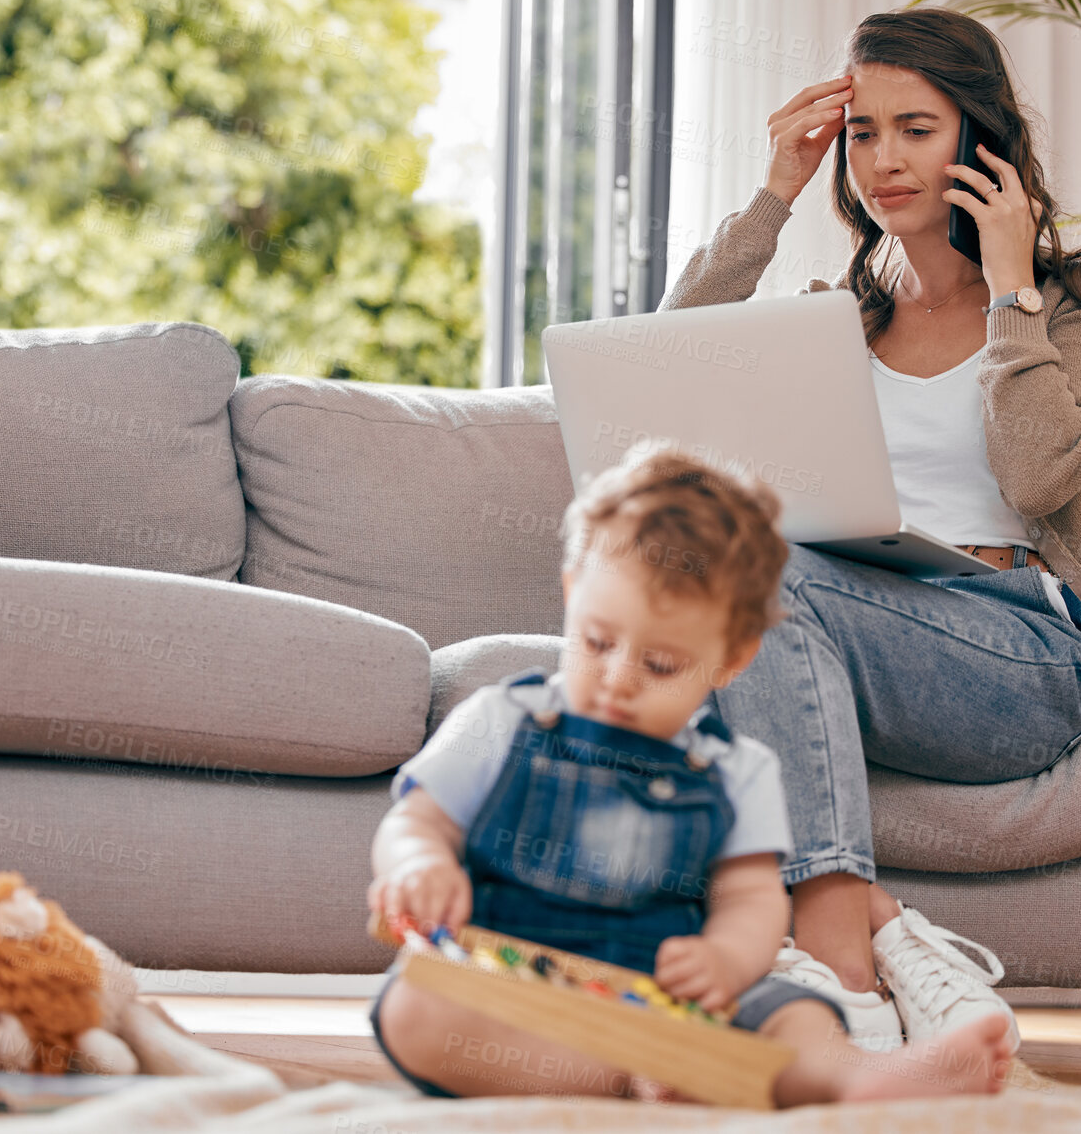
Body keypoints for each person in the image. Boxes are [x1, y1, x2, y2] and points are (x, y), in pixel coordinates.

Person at [661, 6, 1081, 1053]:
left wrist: (1013, 289)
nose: (883, 160)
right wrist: (773, 194)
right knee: (716, 576)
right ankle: (870, 950)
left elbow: (1040, 470)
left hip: (1035, 649)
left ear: (980, 138)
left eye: (915, 128)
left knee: (754, 582)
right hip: (861, 623)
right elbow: (667, 367)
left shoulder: (1079, 299)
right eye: (863, 131)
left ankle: (832, 957)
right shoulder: (841, 313)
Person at [366, 450, 1014, 1107]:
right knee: (413, 1008)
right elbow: (418, 819)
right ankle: (631, 1074)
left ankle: (858, 1075)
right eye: (596, 641)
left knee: (791, 1008)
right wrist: (418, 863)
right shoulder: (502, 719)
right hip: (514, 987)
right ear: (571, 596)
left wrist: (726, 959)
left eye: (660, 662)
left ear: (731, 659)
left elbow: (751, 900)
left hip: (670, 997)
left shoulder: (736, 770)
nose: (618, 679)